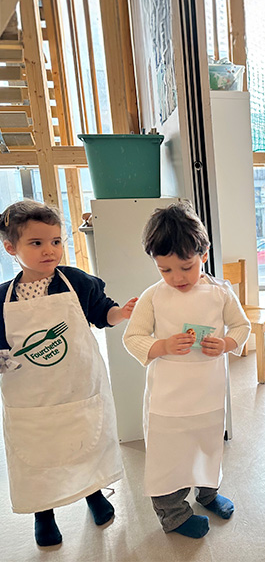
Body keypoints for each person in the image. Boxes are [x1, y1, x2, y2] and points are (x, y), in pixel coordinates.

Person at [0, 200, 137, 547]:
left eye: (56, 241)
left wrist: (120, 314)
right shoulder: (2, 299)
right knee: (37, 458)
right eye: (37, 243)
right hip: (30, 399)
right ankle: (42, 514)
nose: (50, 251)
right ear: (10, 247)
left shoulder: (74, 281)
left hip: (78, 389)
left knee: (85, 445)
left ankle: (94, 494)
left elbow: (101, 312)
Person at [123, 202, 250, 539]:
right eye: (165, 270)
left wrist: (226, 344)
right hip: (168, 401)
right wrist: (161, 346)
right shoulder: (153, 297)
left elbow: (242, 327)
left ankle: (207, 493)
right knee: (169, 456)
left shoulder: (221, 293)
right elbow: (132, 337)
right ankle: (174, 513)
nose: (176, 278)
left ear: (203, 254)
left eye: (186, 267)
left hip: (208, 394)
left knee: (208, 443)